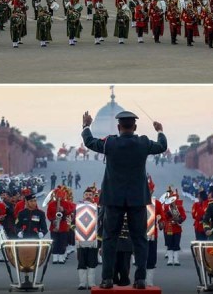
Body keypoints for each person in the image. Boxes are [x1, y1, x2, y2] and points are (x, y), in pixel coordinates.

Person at [81, 110, 167, 289]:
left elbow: (89, 142)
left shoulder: (110, 143)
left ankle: (107, 279)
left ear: (119, 127)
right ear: (135, 127)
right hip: (137, 199)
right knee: (140, 239)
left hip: (113, 198)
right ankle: (141, 279)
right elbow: (162, 147)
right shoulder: (143, 142)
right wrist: (159, 131)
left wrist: (86, 126)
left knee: (110, 238)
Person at [75, 186, 98, 290]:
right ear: (83, 196)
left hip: (93, 239)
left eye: (90, 195)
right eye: (86, 195)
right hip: (80, 240)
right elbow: (72, 223)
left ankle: (92, 283)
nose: (88, 196)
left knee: (92, 261)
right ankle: (82, 283)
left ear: (93, 196)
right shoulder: (77, 208)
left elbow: (100, 224)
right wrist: (76, 234)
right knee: (81, 262)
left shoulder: (97, 208)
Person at [47, 185, 76, 264]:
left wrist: (64, 210)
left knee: (63, 242)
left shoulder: (67, 203)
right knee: (55, 242)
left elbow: (71, 211)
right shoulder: (51, 204)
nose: (59, 198)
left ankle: (61, 257)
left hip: (63, 226)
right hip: (54, 225)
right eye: (57, 196)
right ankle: (55, 257)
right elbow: (48, 214)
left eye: (60, 196)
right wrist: (52, 220)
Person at [161, 187, 186, 266]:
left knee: (176, 244)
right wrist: (167, 214)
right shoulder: (166, 207)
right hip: (169, 227)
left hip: (177, 228)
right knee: (169, 244)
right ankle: (170, 259)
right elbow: (163, 217)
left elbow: (184, 216)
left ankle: (176, 260)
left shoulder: (180, 207)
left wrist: (179, 219)